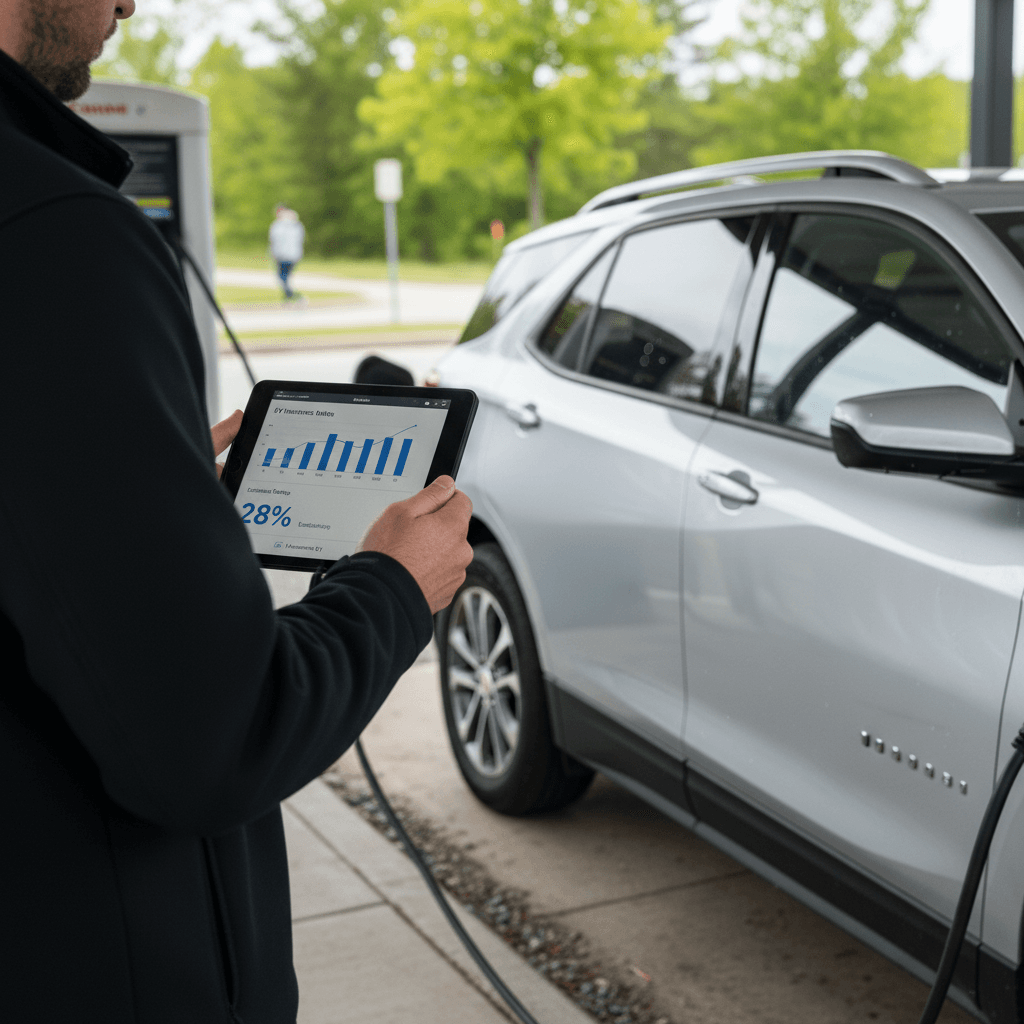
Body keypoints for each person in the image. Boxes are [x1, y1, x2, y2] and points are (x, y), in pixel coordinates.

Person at [0, 3, 473, 1023]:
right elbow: (215, 740)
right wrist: (393, 589)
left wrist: (145, 513)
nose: (128, 4)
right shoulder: (54, 232)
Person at [269, 203, 305, 300]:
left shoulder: (278, 226)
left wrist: (274, 253)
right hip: (294, 255)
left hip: (283, 255)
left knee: (282, 277)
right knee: (285, 277)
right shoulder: (297, 225)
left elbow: (275, 241)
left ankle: (292, 295)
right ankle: (288, 297)